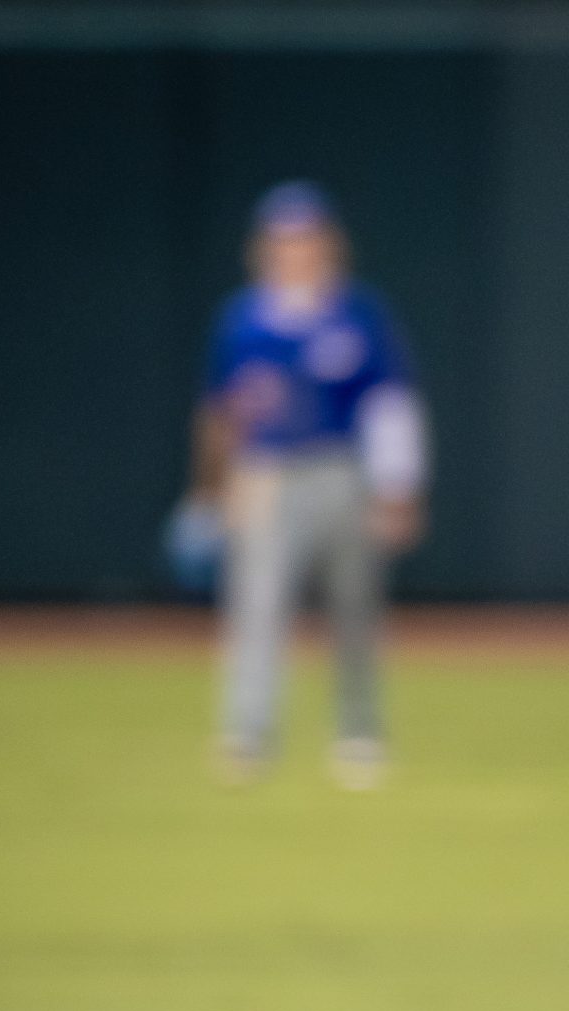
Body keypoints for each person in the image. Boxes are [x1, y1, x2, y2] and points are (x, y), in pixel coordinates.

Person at [176, 182, 428, 789]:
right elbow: (219, 414)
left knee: (354, 607)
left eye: (307, 238)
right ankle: (249, 733)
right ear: (265, 247)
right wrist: (207, 493)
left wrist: (398, 488)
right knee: (256, 606)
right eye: (284, 239)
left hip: (342, 470)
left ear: (328, 244)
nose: (296, 250)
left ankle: (358, 731)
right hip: (265, 474)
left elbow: (390, 406)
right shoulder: (242, 320)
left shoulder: (357, 312)